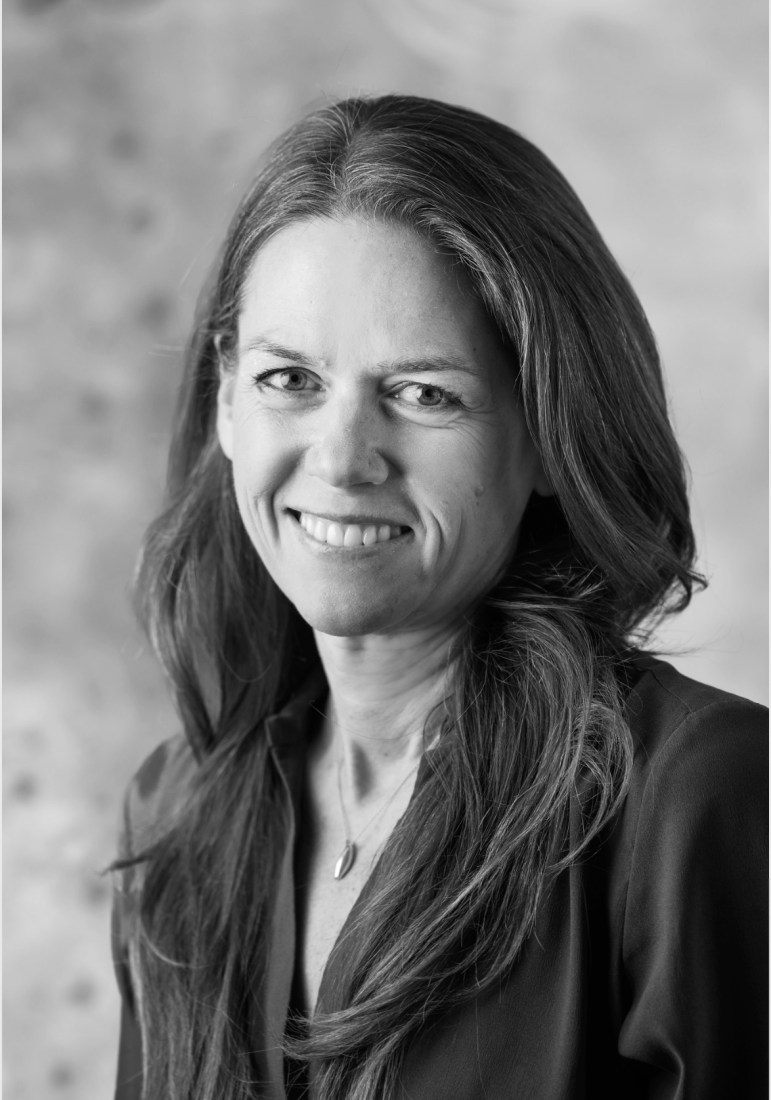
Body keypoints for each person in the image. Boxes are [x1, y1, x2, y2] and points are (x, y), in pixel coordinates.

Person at [111, 94, 767, 1100]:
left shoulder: (698, 798)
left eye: (423, 393)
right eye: (291, 377)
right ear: (226, 399)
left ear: (550, 434)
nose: (340, 457)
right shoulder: (178, 812)